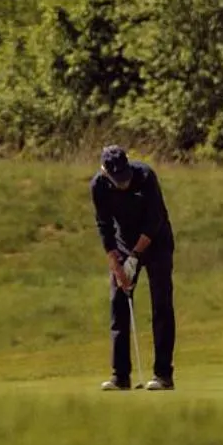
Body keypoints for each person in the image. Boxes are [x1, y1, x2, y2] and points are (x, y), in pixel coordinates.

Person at [90, 143, 175, 391]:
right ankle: (120, 376)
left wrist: (135, 256)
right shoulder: (98, 186)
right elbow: (103, 226)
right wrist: (117, 266)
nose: (123, 183)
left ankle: (163, 375)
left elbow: (154, 220)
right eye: (117, 178)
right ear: (105, 171)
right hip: (124, 243)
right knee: (118, 302)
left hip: (157, 241)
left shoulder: (145, 176)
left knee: (161, 303)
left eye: (125, 176)